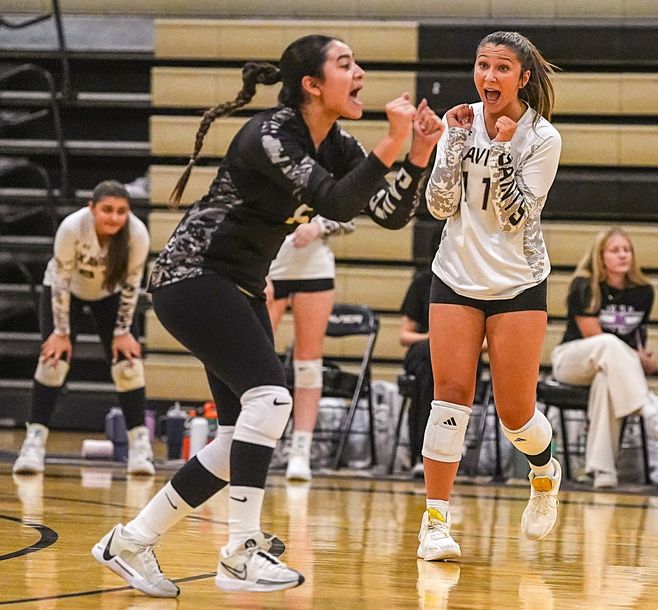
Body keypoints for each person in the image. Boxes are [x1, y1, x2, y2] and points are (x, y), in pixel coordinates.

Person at [91, 34, 443, 596]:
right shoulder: (270, 133)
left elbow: (386, 212)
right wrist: (392, 142)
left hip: (238, 286)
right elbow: (332, 200)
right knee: (271, 400)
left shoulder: (336, 141)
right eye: (346, 64)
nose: (361, 74)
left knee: (240, 437)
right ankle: (241, 551)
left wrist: (417, 152)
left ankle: (131, 540)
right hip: (193, 276)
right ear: (311, 83)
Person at [418, 30, 563, 562]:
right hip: (455, 276)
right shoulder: (460, 122)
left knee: (516, 414)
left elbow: (516, 215)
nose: (488, 77)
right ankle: (435, 523)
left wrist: (502, 151)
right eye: (482, 66)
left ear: (523, 78)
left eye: (502, 68)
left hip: (518, 282)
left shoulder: (543, 138)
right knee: (449, 397)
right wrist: (454, 142)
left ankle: (545, 472)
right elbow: (438, 206)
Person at [13, 180, 153, 476]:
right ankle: (34, 442)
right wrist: (61, 332)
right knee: (53, 362)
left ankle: (140, 447)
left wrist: (123, 331)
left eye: (121, 211)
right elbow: (61, 280)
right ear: (91, 208)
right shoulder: (71, 228)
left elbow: (132, 285)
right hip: (66, 291)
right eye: (107, 210)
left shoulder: (137, 234)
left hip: (111, 294)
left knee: (128, 364)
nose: (114, 217)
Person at [550, 227, 658, 489]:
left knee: (605, 382)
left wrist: (644, 361)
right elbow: (592, 335)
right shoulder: (584, 285)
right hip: (572, 360)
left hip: (611, 367)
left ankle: (603, 471)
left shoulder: (643, 292)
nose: (623, 255)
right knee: (608, 344)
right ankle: (648, 410)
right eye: (615, 250)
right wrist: (636, 359)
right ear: (601, 257)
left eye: (627, 250)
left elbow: (638, 341)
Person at [266, 215, 355, 481]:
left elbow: (349, 215)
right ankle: (248, 439)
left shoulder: (325, 172)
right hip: (269, 268)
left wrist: (319, 226)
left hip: (314, 269)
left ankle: (300, 449)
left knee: (308, 364)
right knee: (253, 360)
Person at [399, 249, 435, 478]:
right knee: (429, 361)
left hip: (460, 353)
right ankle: (426, 452)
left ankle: (424, 453)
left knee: (433, 364)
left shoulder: (476, 281)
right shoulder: (423, 281)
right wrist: (435, 337)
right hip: (424, 352)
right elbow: (404, 336)